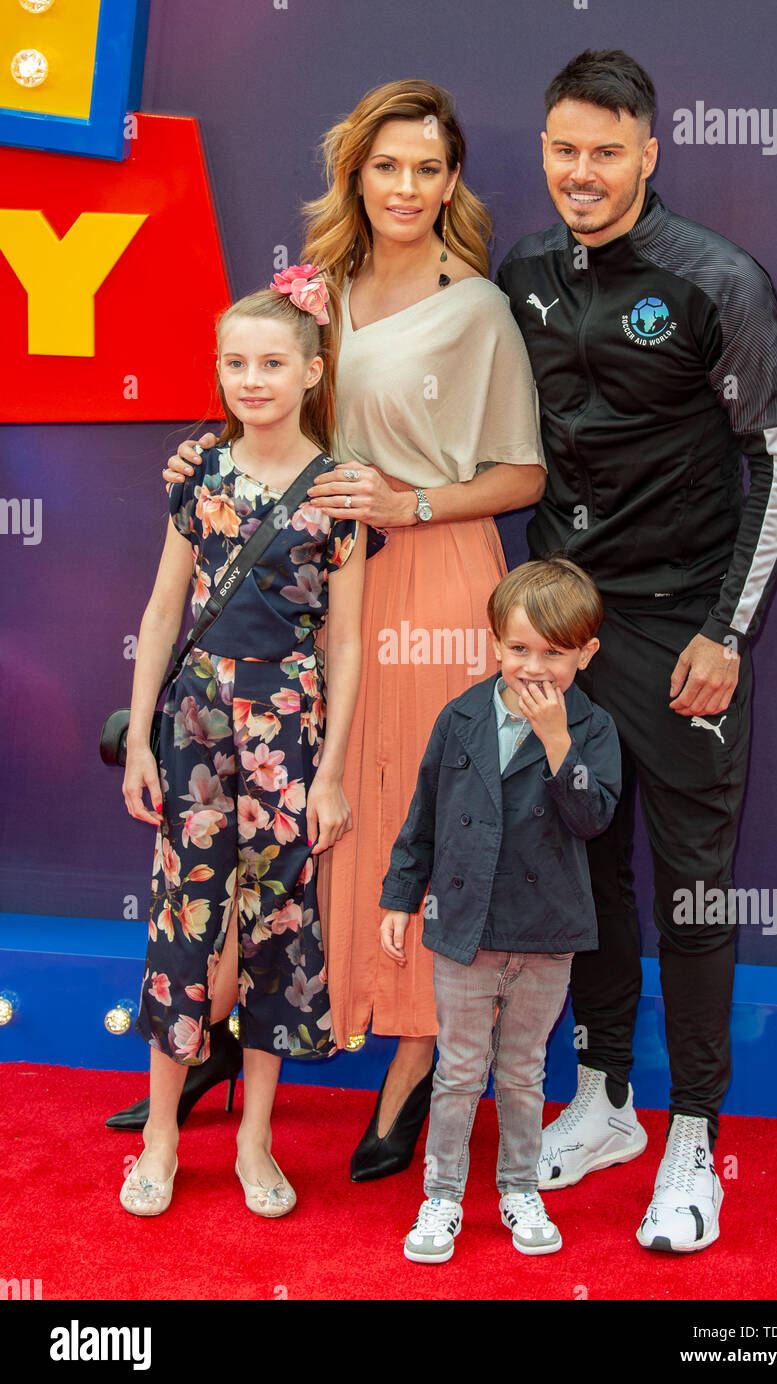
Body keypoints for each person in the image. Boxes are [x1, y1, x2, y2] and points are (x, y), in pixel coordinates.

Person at [128, 81, 547, 1180]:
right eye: (385, 166)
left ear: (451, 181)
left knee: (422, 820)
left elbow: (522, 471)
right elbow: (263, 404)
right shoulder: (310, 293)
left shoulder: (481, 311)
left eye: (426, 168)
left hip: (436, 584)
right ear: (355, 174)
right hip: (310, 592)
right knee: (302, 820)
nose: (405, 187)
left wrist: (404, 501)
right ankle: (218, 1040)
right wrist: (198, 459)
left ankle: (409, 1076)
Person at [495, 49, 777, 1251]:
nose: (582, 172)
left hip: (681, 630)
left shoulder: (714, 279)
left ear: (648, 153)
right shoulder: (523, 270)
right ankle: (607, 1098)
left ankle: (694, 1138)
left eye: (606, 152)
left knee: (690, 885)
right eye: (564, 150)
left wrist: (725, 631)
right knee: (588, 872)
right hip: (565, 632)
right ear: (545, 149)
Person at [118, 269, 384, 1216]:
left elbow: (347, 642)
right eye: (234, 362)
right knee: (184, 918)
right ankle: (157, 1137)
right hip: (192, 721)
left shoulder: (342, 489)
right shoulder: (196, 472)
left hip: (289, 726)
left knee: (279, 925)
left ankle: (256, 1140)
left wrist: (332, 774)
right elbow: (160, 610)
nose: (251, 379)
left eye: (272, 362)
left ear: (312, 371)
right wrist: (145, 737)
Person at [379, 559, 620, 1263]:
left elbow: (593, 819)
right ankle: (442, 1197)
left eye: (553, 653)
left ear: (585, 654)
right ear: (493, 644)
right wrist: (399, 897)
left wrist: (555, 741)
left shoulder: (593, 728)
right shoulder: (458, 717)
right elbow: (423, 814)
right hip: (463, 924)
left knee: (519, 1073)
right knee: (456, 1071)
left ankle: (518, 1188)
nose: (533, 667)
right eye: (518, 650)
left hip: (546, 930)